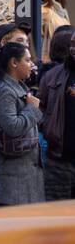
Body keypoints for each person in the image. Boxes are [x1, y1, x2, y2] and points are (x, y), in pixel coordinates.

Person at [0, 41, 44, 206]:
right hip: (10, 181)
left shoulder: (15, 87)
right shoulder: (5, 91)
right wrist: (32, 109)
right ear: (14, 63)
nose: (32, 65)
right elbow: (12, 127)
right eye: (27, 60)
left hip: (19, 178)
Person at [39, 28, 75, 200]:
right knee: (58, 218)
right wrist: (48, 127)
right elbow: (41, 108)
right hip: (59, 160)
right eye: (72, 44)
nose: (73, 48)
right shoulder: (53, 76)